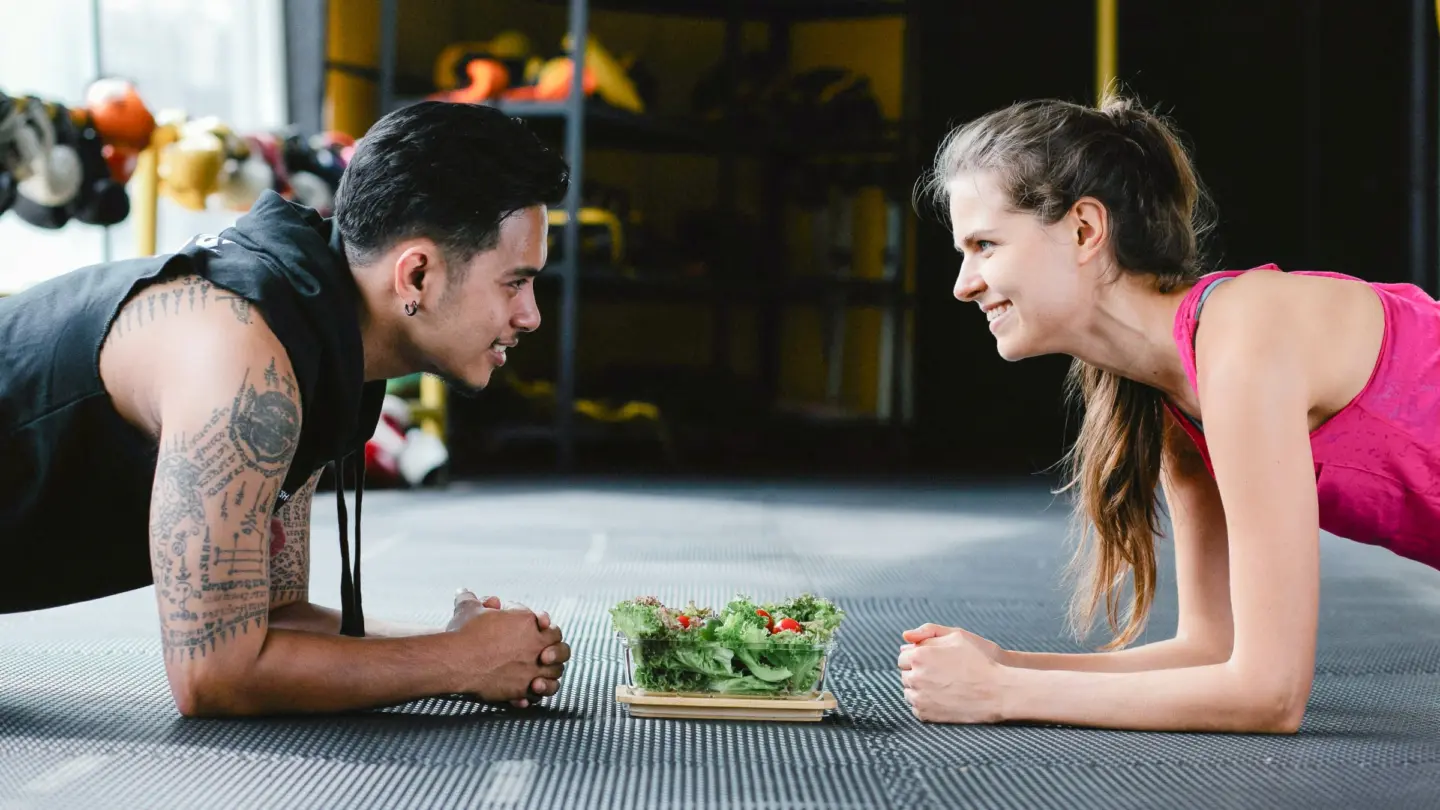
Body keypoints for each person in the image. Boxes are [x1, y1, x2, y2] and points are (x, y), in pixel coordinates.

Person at [0, 101, 574, 716]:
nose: (530, 315)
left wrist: (464, 643)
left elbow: (274, 619)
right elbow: (214, 673)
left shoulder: (312, 335)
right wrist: (461, 662)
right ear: (416, 276)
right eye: (515, 282)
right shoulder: (243, 356)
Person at [898, 93, 1440, 734]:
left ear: (1083, 230)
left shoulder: (1243, 341)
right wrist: (1004, 665)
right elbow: (1211, 652)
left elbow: (1270, 695)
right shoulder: (1177, 403)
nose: (963, 283)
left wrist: (1003, 692)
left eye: (984, 245)